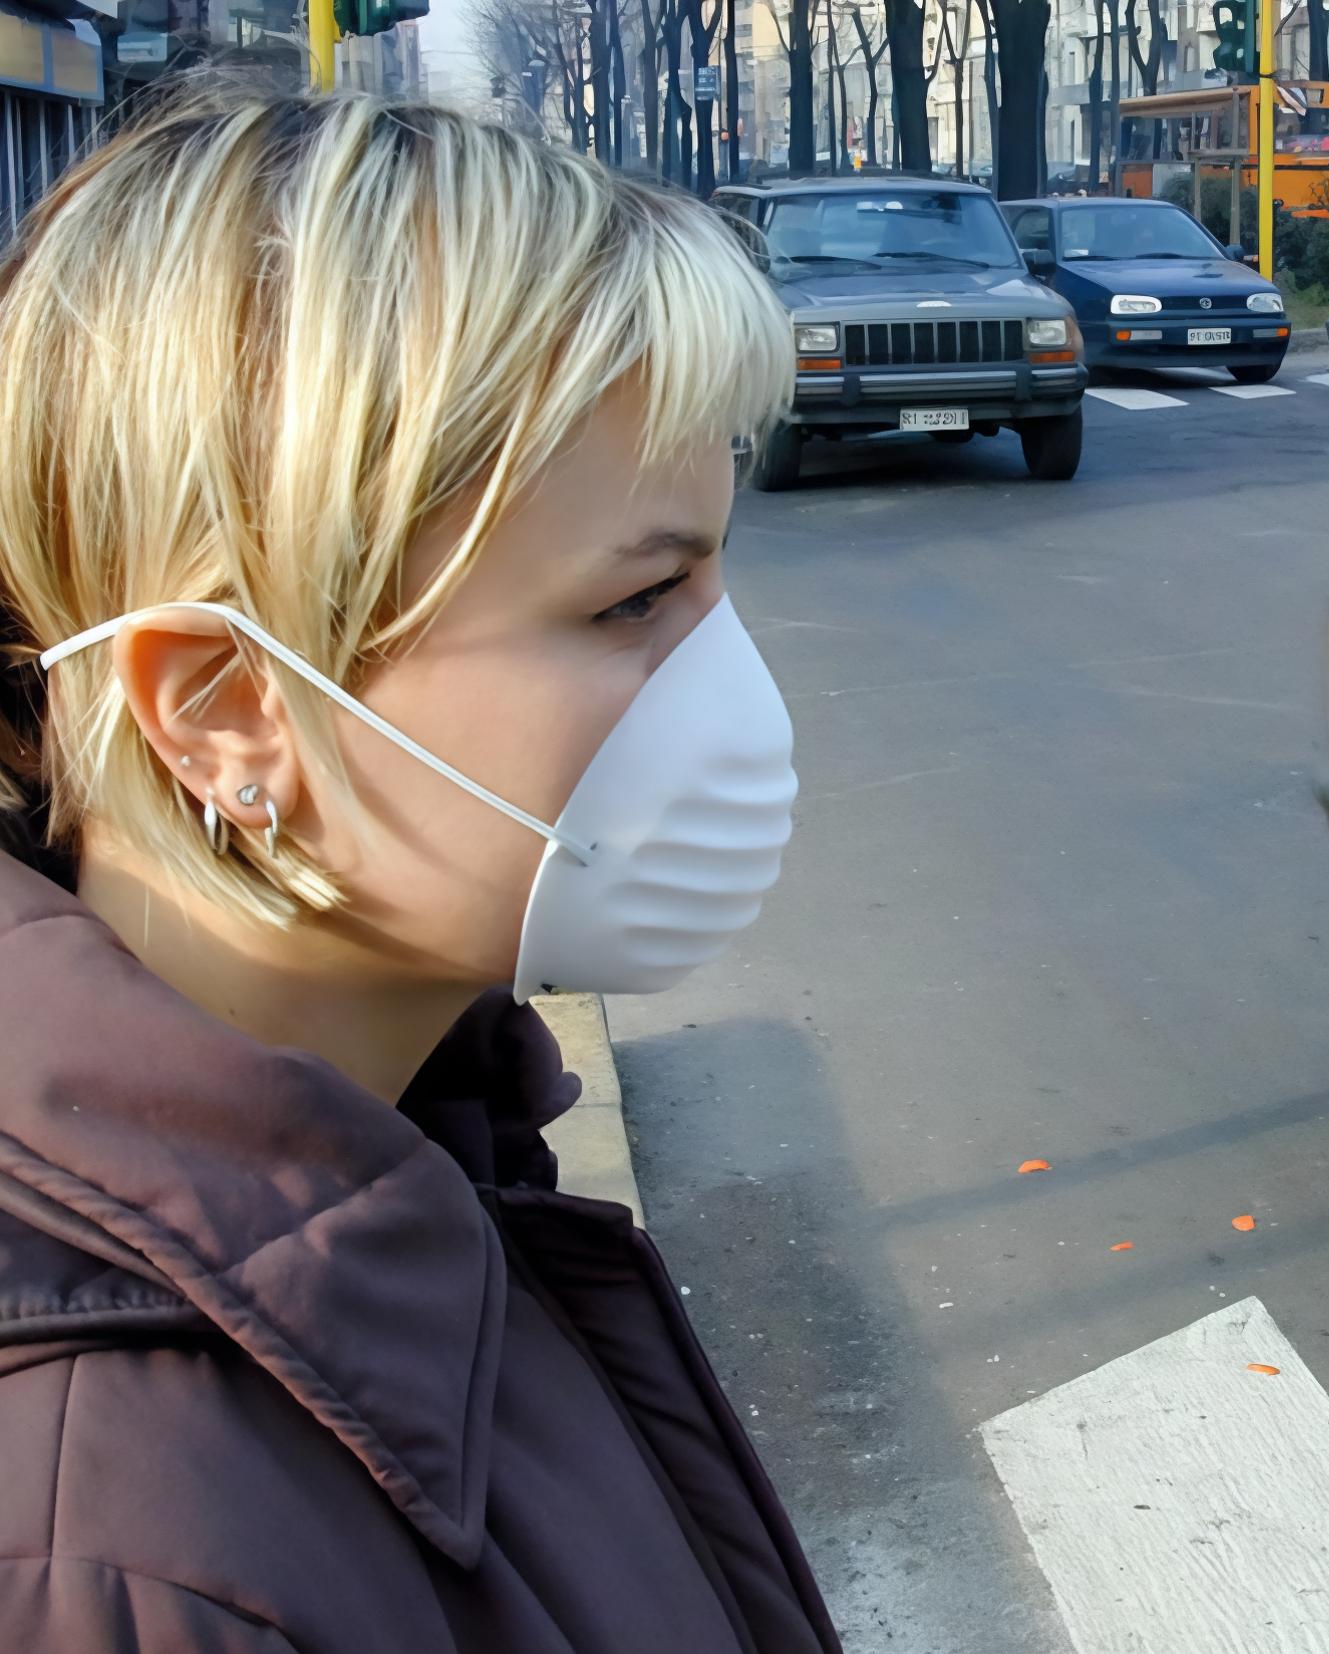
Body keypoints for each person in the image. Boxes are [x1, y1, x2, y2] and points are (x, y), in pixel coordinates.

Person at [0, 92, 837, 1652]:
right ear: (232, 710)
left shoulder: (408, 1161)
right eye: (635, 603)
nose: (726, 682)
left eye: (714, 578)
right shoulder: (116, 1557)